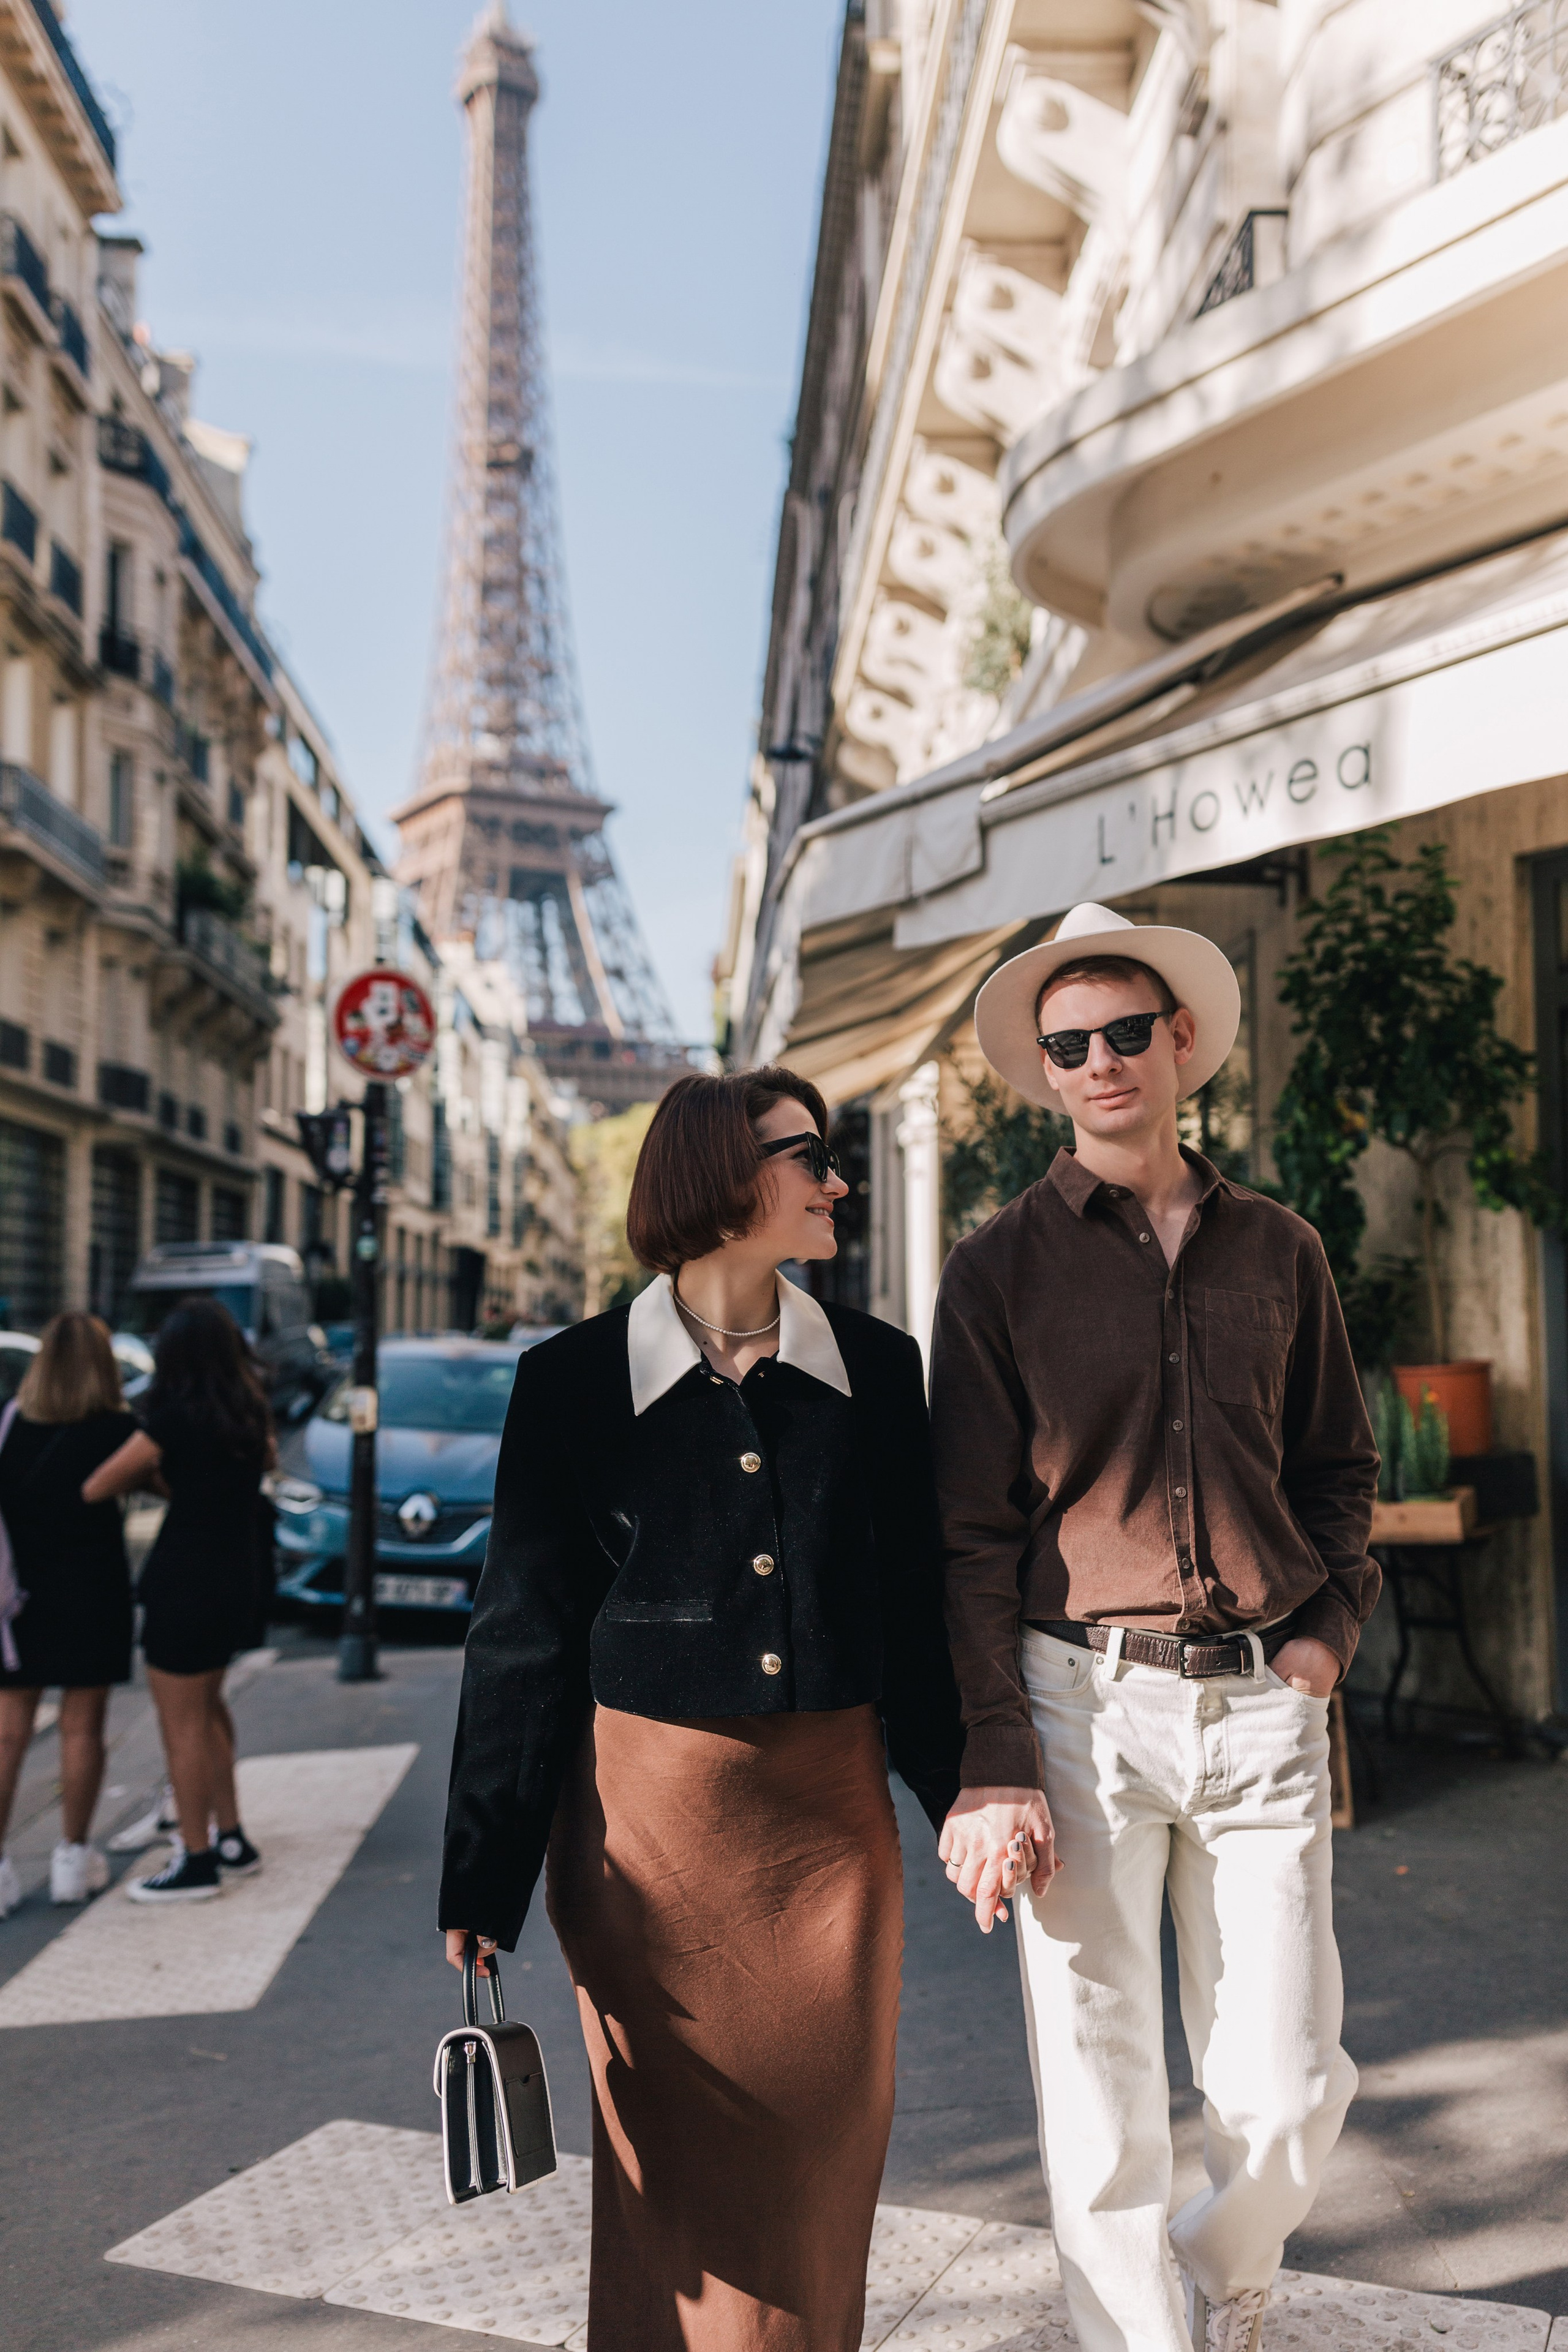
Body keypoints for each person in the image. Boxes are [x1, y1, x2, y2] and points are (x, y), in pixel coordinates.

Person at [440, 1066, 963, 2351]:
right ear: (721, 1180)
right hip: (646, 1858)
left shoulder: (881, 1372)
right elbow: (521, 1634)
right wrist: (481, 1877)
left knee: (816, 2188)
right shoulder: (569, 1382)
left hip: (829, 1855)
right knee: (668, 2195)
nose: (835, 1181)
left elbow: (918, 1611)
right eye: (807, 1158)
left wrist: (971, 1798)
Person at [931, 902, 1381, 2352]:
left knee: (1290, 2075)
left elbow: (1335, 1464)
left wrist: (1327, 1626)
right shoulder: (995, 1269)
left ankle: (1221, 2257)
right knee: (1097, 2072)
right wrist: (992, 1750)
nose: (1100, 1061)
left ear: (1180, 1041)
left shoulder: (1281, 1248)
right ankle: (1157, 2334)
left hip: (1261, 1698)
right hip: (1080, 1700)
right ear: (1044, 1075)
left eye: (1126, 1032)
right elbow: (971, 1531)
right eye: (1069, 1046)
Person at [84, 1298, 274, 1903]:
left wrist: (157, 1477)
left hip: (183, 1581)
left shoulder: (170, 1420)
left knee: (182, 1726)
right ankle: (233, 1839)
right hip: (235, 1577)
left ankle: (195, 1859)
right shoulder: (249, 1411)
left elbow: (97, 1486)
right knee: (211, 1711)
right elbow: (252, 1470)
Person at [0, 1313, 139, 1918]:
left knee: (7, 1734)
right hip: (92, 1594)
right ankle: (71, 1861)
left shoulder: (8, 1425)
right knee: (83, 1729)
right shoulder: (119, 1429)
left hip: (17, 1598)